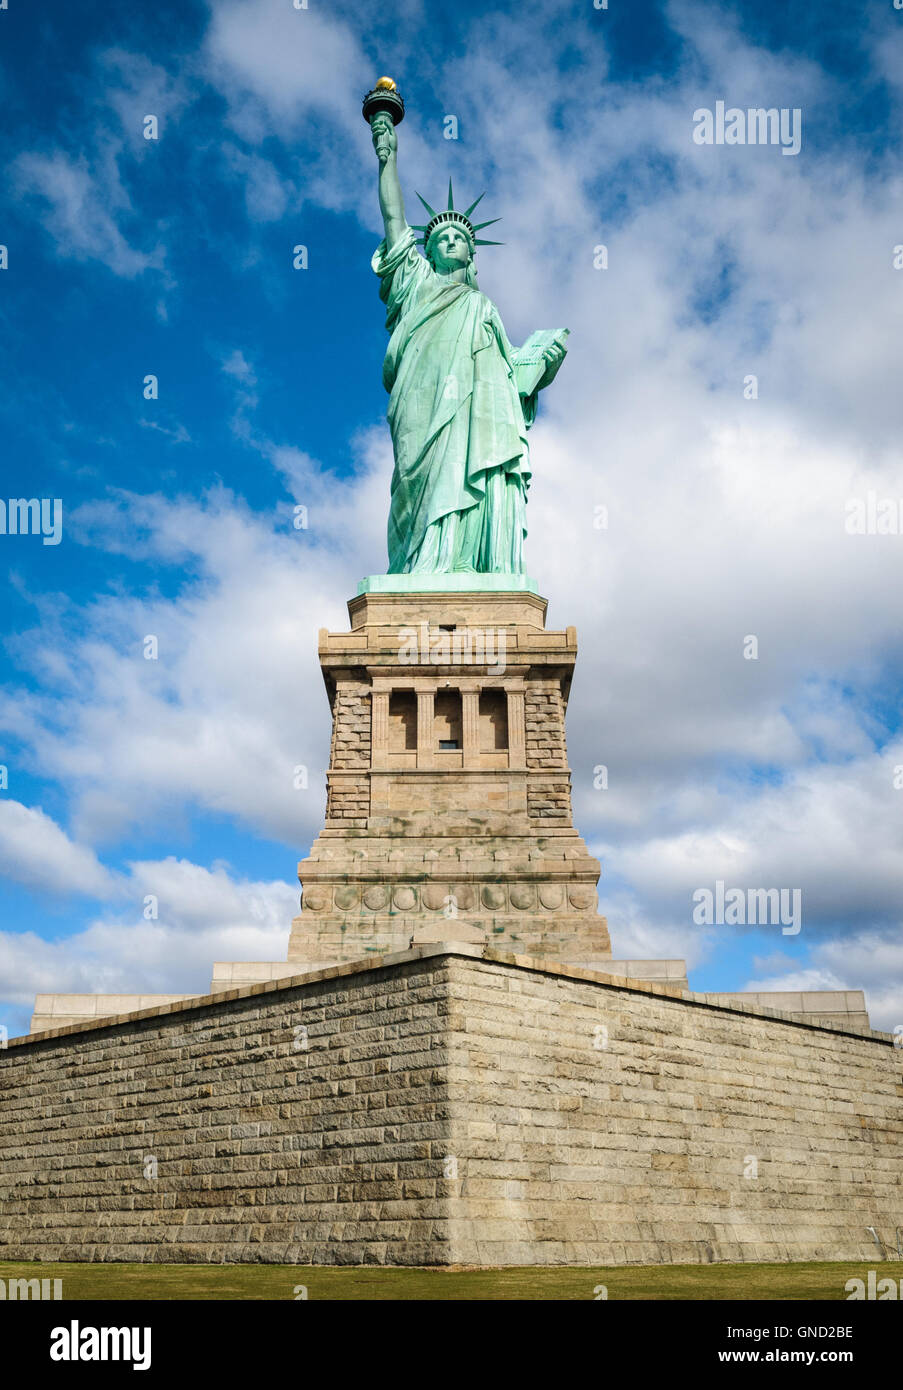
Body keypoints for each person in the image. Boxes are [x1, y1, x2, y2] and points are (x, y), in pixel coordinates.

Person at [370, 109, 568, 576]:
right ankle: (422, 566)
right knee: (417, 479)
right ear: (429, 248)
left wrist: (542, 364)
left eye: (460, 236)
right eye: (441, 237)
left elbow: (510, 371)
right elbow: (394, 217)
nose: (450, 242)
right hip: (422, 400)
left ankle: (463, 562)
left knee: (470, 466)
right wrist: (387, 158)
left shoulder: (484, 309)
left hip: (479, 409)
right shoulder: (414, 281)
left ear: (472, 252)